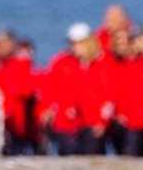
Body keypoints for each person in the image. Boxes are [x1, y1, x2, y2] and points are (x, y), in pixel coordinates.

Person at [41, 22, 102, 156]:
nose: (74, 47)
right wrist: (46, 110)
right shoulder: (61, 62)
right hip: (65, 121)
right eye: (72, 43)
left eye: (78, 43)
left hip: (90, 122)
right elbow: (49, 89)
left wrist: (101, 121)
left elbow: (106, 95)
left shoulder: (99, 64)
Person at [0, 29, 40, 155]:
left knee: (16, 149)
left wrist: (11, 90)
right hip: (0, 117)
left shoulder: (21, 64)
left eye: (2, 44)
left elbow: (28, 89)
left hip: (16, 118)